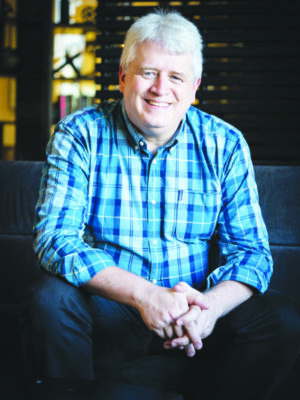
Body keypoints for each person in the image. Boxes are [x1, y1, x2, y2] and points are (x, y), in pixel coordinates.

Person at [20, 10, 300, 399]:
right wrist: (146, 296)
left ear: (194, 86)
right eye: (148, 72)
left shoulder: (225, 143)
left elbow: (252, 254)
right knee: (49, 299)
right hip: (112, 311)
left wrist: (209, 309)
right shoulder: (79, 134)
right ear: (122, 76)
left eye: (176, 77)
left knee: (282, 319)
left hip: (198, 311)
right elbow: (55, 239)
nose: (160, 89)